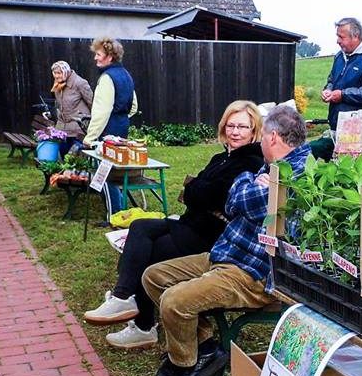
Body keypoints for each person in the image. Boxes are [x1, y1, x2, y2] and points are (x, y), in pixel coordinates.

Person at [142, 106, 310, 376]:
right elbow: (235, 203)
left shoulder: (292, 173)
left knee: (174, 300)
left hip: (251, 274)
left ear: (271, 137)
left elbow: (240, 202)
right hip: (227, 255)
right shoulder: (274, 164)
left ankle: (185, 363)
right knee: (153, 277)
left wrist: (247, 184)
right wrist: (249, 184)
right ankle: (206, 345)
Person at [84, 100, 266, 350]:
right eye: (231, 125)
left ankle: (144, 326)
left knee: (151, 254)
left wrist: (197, 189)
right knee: (139, 227)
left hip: (211, 234)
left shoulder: (252, 162)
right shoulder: (220, 157)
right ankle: (122, 296)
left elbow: (212, 196)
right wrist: (198, 190)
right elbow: (195, 193)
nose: (235, 132)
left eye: (242, 127)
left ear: (254, 130)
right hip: (190, 222)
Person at [312, 17, 362, 161]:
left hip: (359, 131)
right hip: (337, 125)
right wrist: (328, 90)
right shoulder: (339, 56)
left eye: (341, 37)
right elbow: (331, 80)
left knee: (352, 174)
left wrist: (343, 95)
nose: (337, 41)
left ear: (355, 36)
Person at [82, 37, 136, 214]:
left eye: (98, 54)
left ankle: (114, 214)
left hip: (108, 130)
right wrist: (121, 117)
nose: (95, 58)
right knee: (115, 171)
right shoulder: (126, 75)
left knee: (106, 174)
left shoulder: (107, 78)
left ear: (109, 57)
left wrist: (89, 138)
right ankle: (118, 209)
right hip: (122, 126)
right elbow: (134, 106)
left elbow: (101, 112)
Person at [49, 60, 93, 158]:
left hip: (77, 128)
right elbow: (60, 103)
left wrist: (91, 123)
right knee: (64, 156)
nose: (56, 76)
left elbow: (92, 103)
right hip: (62, 128)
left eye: (59, 73)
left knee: (76, 159)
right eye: (54, 73)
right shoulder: (58, 83)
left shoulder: (80, 83)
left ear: (66, 71)